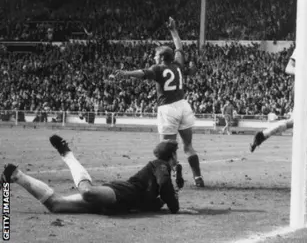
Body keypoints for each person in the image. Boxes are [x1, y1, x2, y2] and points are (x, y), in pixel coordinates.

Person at [114, 17, 204, 187]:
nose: (153, 58)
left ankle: (172, 173)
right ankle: (198, 178)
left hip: (167, 109)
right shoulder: (178, 64)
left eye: (155, 56)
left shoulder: (158, 68)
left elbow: (142, 72)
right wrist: (173, 30)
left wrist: (125, 73)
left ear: (161, 57)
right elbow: (179, 46)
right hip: (183, 106)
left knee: (166, 149)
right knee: (188, 146)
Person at [1, 135, 180, 214]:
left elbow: (151, 204)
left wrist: (165, 201)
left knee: (56, 205)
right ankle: (67, 154)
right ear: (172, 155)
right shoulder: (160, 165)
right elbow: (164, 184)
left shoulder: (163, 170)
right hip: (123, 193)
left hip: (119, 207)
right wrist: (175, 206)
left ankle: (16, 175)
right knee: (88, 192)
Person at [250, 23, 307, 172]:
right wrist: (302, 73)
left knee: (295, 122)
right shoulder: (302, 49)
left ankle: (263, 135)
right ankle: (304, 155)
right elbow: (288, 68)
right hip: (305, 88)